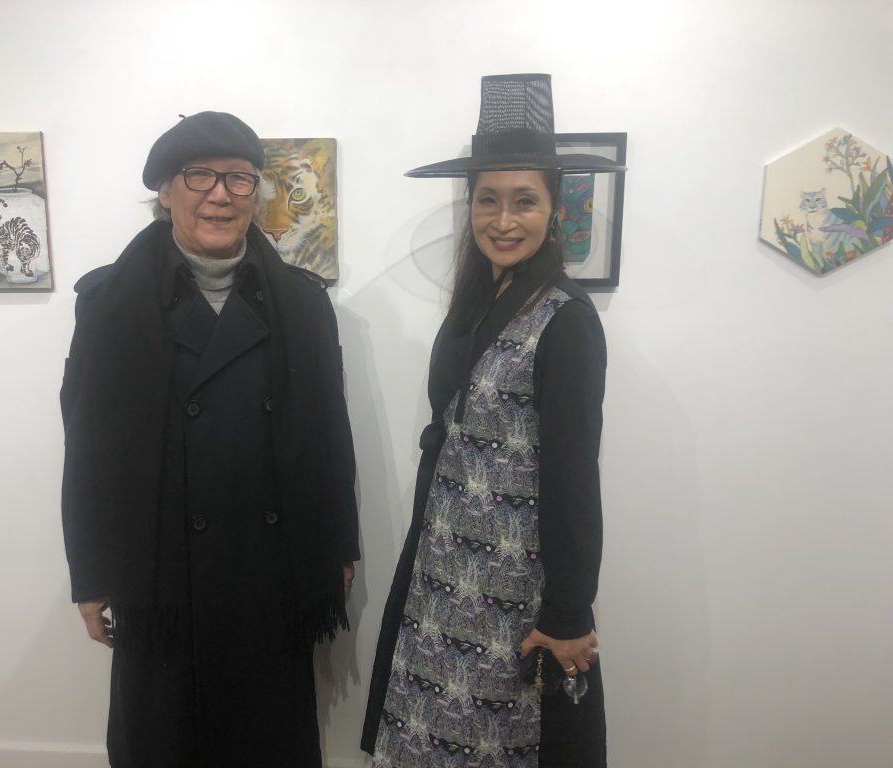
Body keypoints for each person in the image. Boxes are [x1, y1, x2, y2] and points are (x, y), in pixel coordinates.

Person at [60, 111, 359, 767]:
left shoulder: (303, 303)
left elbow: (330, 436)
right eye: (200, 176)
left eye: (239, 178)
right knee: (166, 740)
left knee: (265, 741)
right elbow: (87, 446)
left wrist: (338, 547)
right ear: (165, 192)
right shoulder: (108, 303)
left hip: (268, 566)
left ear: (255, 194)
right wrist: (91, 572)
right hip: (160, 573)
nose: (220, 194)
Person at [361, 74, 624, 767]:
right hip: (443, 574)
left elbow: (573, 476)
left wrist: (569, 611)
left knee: (500, 744)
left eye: (524, 201)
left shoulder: (566, 322)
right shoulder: (478, 299)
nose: (503, 220)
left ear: (554, 210)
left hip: (512, 589)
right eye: (488, 199)